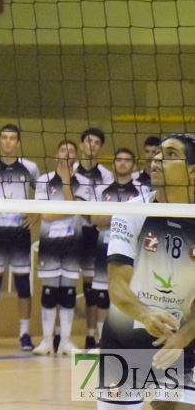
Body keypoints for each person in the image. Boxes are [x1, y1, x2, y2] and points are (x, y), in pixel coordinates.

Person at [101, 134, 195, 410]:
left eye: (170, 154)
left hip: (182, 341)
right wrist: (146, 314)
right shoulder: (132, 211)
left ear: (192, 170)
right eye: (157, 153)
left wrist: (183, 336)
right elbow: (116, 284)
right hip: (124, 340)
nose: (157, 158)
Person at [0, 123, 40, 351]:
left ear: (18, 142)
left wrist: (37, 212)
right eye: (4, 137)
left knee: (24, 286)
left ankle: (25, 334)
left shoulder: (30, 168)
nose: (8, 142)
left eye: (12, 138)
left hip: (20, 234)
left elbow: (43, 194)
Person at [32, 140, 92, 356]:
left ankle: (65, 342)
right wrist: (69, 207)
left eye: (72, 151)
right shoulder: (43, 180)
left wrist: (67, 182)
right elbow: (45, 214)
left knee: (68, 292)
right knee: (49, 293)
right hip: (50, 243)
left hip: (73, 245)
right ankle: (47, 341)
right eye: (64, 150)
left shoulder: (84, 182)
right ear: (57, 155)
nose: (68, 154)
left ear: (76, 157)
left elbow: (74, 210)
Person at [90, 148, 150, 352]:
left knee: (127, 294)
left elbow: (143, 221)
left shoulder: (142, 190)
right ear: (113, 163)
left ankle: (130, 341)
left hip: (133, 248)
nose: (123, 164)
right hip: (103, 245)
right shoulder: (103, 189)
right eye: (119, 160)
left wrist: (114, 216)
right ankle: (100, 339)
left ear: (133, 165)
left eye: (127, 160)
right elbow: (95, 219)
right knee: (101, 295)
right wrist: (123, 216)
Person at [76, 127, 114, 351]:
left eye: (97, 142)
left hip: (96, 233)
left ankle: (92, 335)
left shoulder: (107, 175)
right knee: (76, 285)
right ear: (81, 145)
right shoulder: (70, 172)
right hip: (74, 232)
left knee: (94, 287)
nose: (92, 145)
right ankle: (71, 335)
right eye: (88, 141)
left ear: (100, 147)